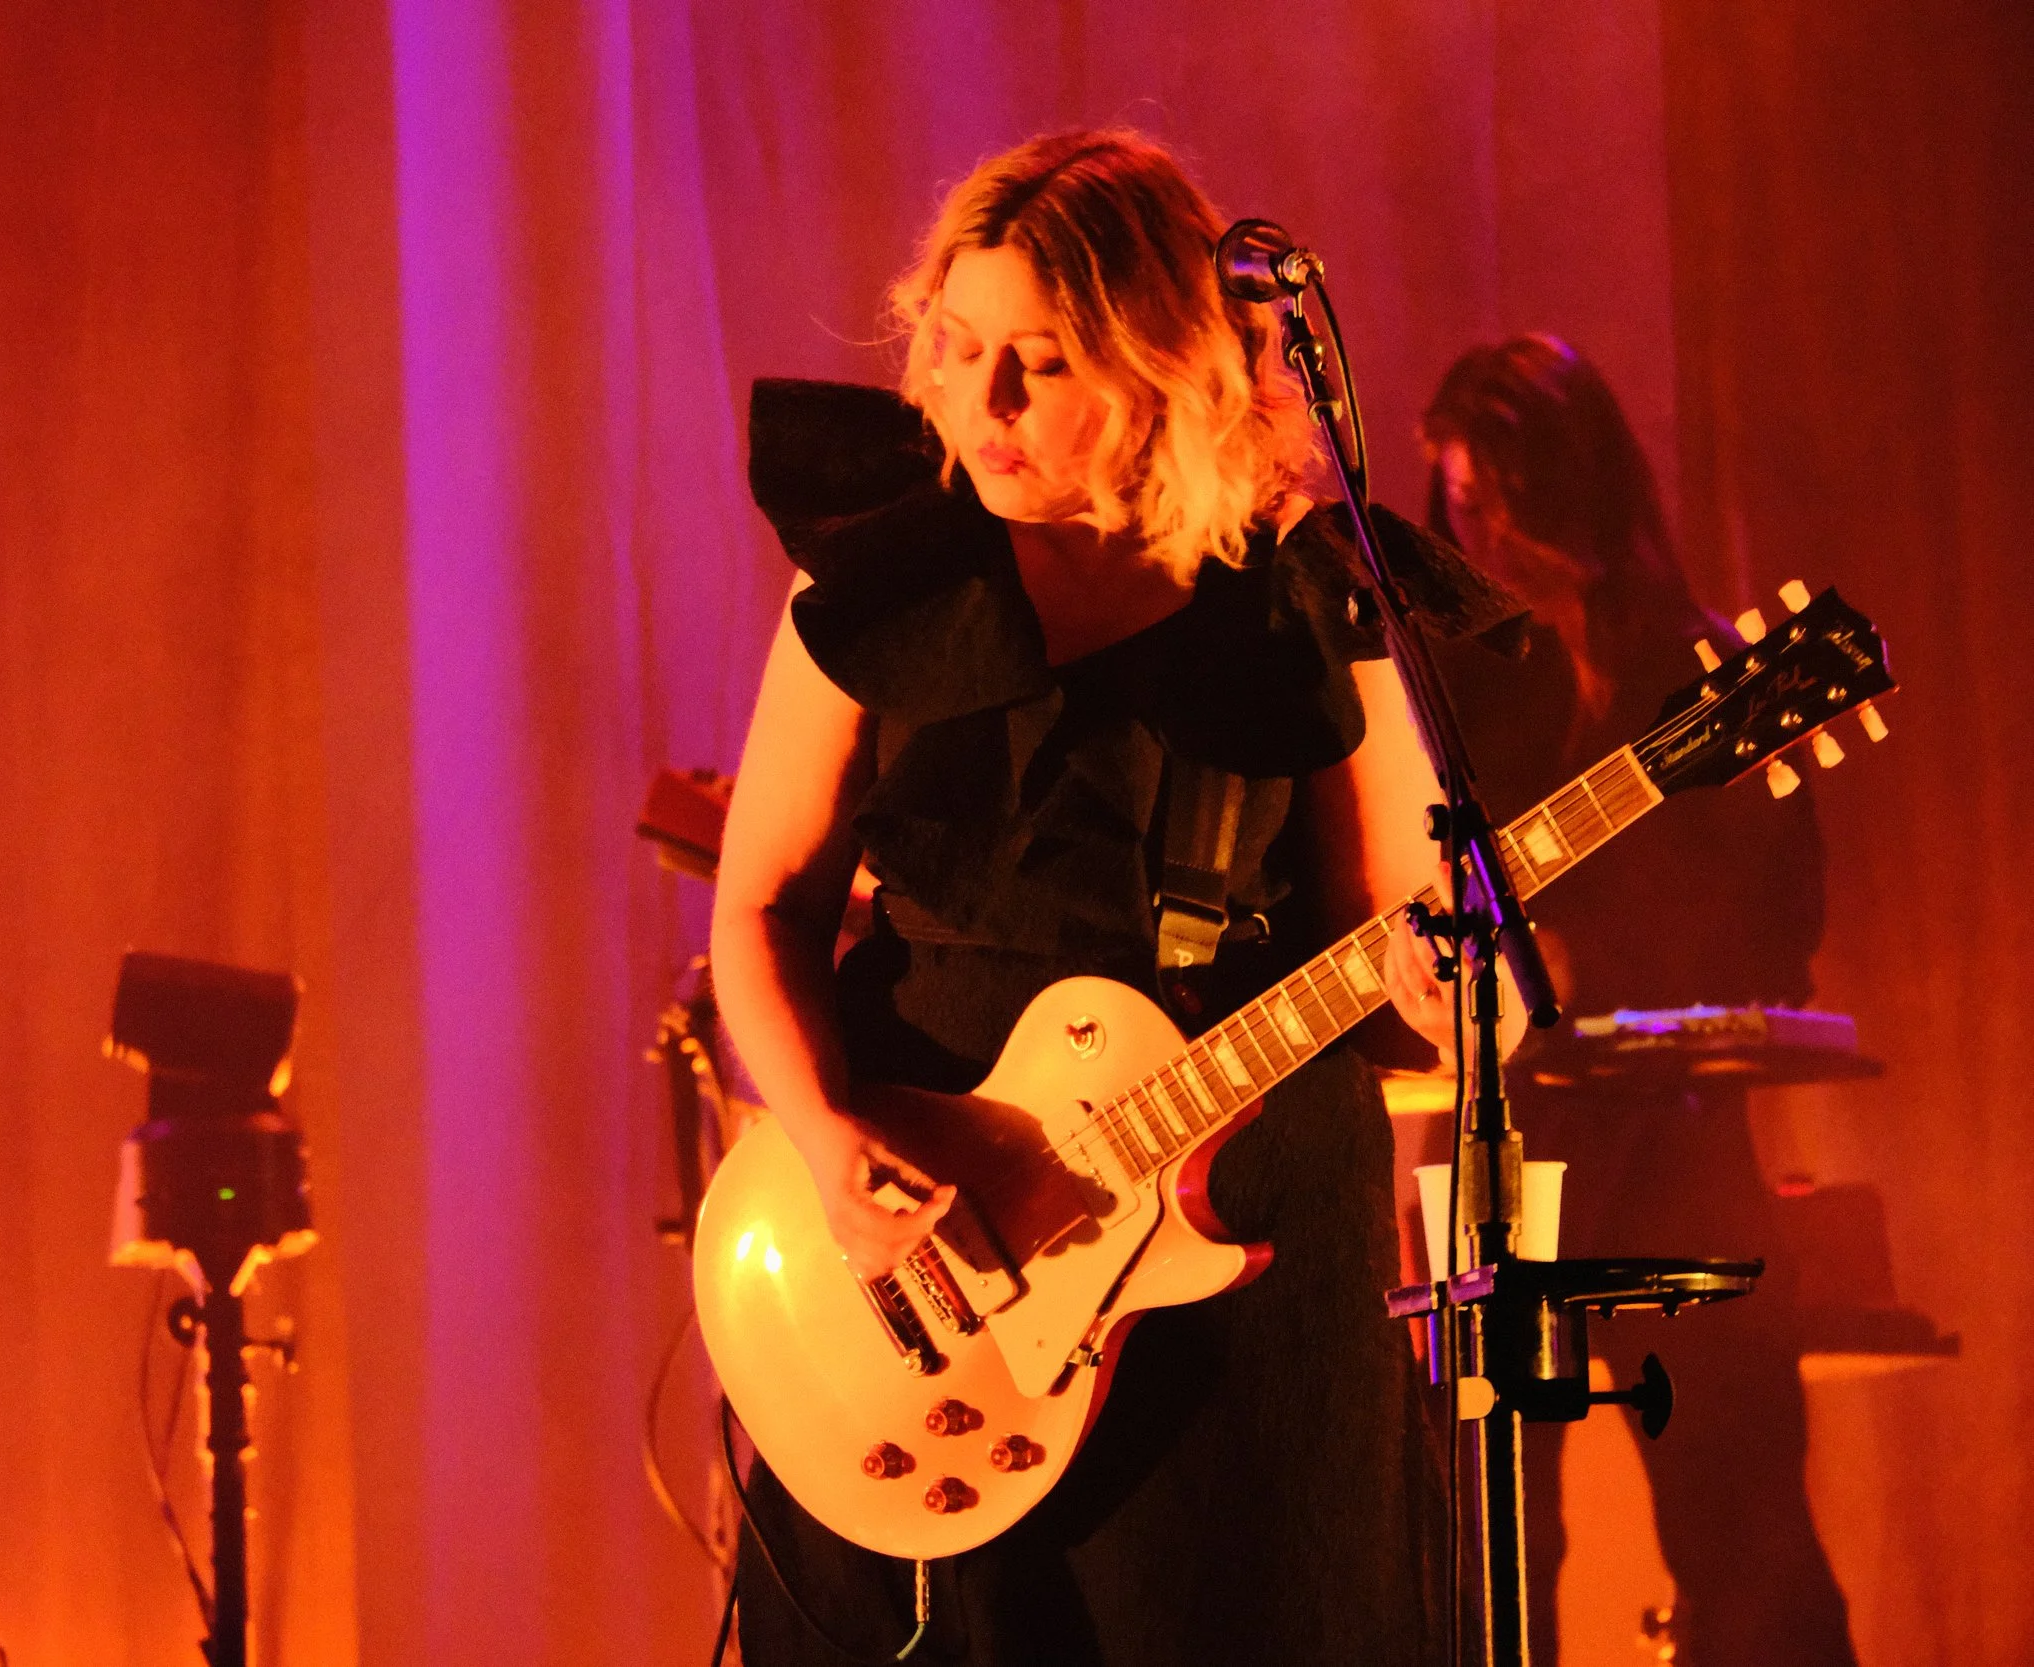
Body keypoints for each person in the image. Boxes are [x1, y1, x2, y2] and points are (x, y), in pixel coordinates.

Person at [709, 129, 1520, 1667]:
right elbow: (761, 908)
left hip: (1238, 1294)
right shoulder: (871, 596)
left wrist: (1449, 998)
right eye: (959, 348)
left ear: (1162, 371)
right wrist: (822, 1138)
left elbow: (1416, 950)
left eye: (1045, 360)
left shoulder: (1306, 598)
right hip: (932, 1275)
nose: (986, 402)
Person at [1423, 333, 1857, 1667]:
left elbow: (1779, 932)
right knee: (1490, 1547)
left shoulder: (1709, 677)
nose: (1481, 535)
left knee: (1748, 1540)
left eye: (1503, 499)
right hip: (1501, 1161)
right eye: (1459, 506)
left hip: (1677, 1146)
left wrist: (1596, 957)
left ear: (1579, 490)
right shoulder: (1459, 687)